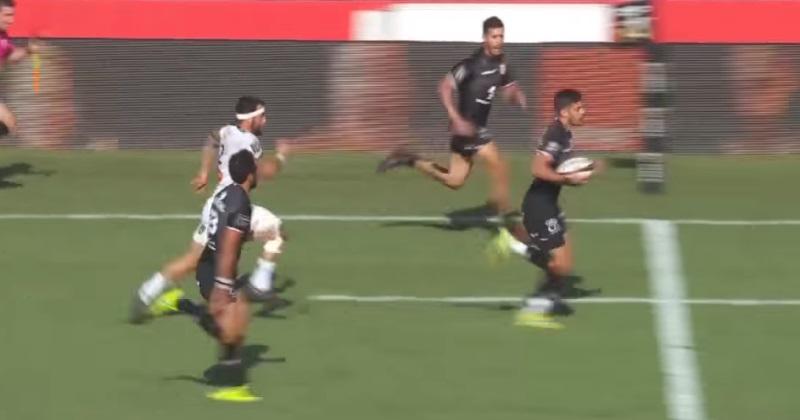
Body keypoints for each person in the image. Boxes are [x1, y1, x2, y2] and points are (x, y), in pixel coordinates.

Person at [129, 96, 288, 323]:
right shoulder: (251, 143)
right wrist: (282, 156)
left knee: (192, 259)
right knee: (278, 233)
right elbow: (265, 173)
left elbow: (212, 138)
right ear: (251, 119)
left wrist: (204, 172)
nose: (265, 120)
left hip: (215, 204)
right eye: (262, 116)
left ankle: (146, 292)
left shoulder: (226, 131)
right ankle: (260, 285)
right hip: (234, 207)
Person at [377, 16, 526, 216]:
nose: (498, 41)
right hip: (467, 129)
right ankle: (502, 210)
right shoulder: (471, 65)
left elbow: (508, 88)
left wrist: (515, 94)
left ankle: (409, 159)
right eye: (494, 36)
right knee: (498, 164)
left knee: (454, 180)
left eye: (501, 36)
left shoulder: (502, 63)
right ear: (484, 38)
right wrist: (456, 119)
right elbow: (444, 87)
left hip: (475, 129)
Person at [489, 89, 594, 329]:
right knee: (560, 266)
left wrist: (580, 172)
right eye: (579, 108)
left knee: (564, 264)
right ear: (565, 111)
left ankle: (513, 241)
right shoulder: (556, 135)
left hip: (549, 203)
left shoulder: (564, 133)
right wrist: (567, 179)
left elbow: (560, 168)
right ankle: (515, 246)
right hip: (540, 206)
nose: (584, 111)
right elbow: (537, 169)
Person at [0, 0, 40, 136]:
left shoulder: (3, 37)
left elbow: (11, 56)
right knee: (8, 122)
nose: (11, 20)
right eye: (7, 15)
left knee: (9, 124)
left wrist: (29, 50)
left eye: (12, 15)